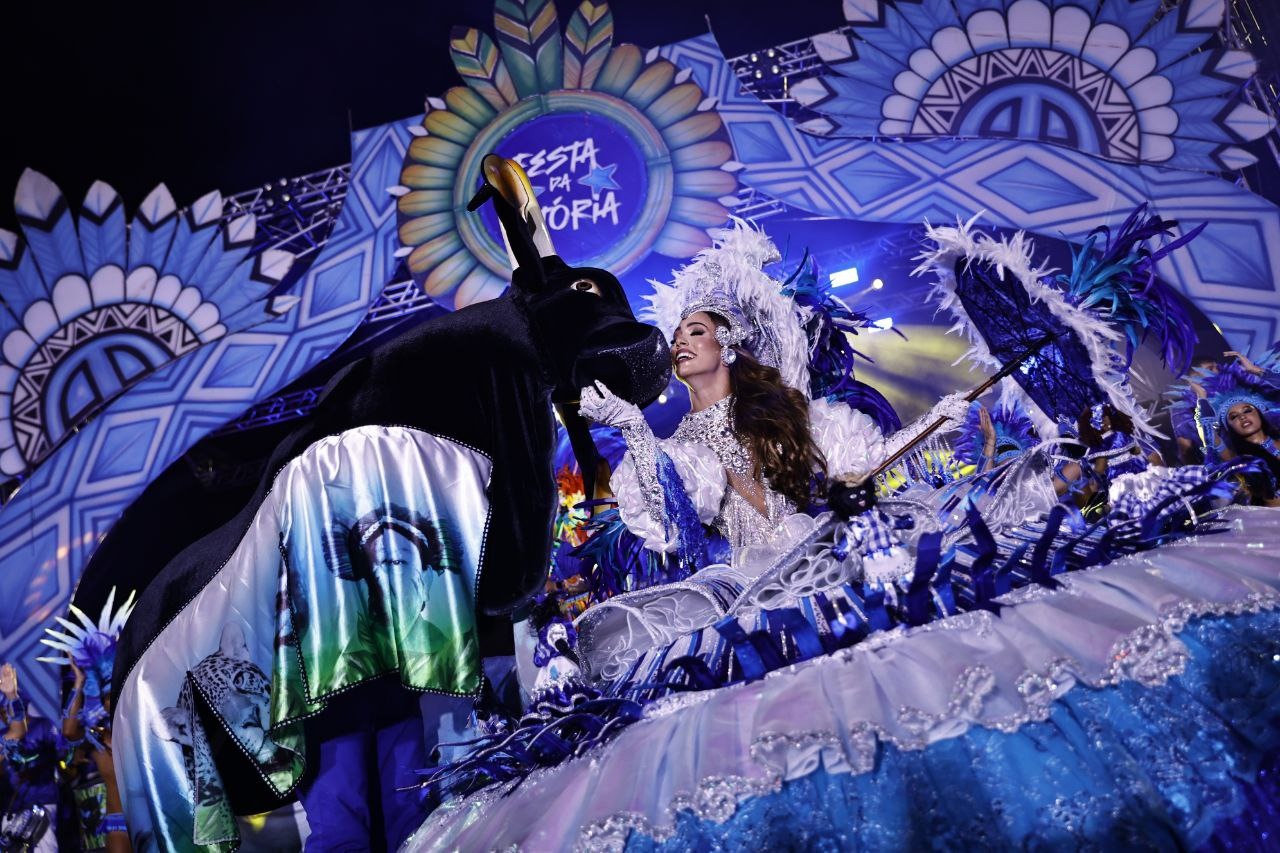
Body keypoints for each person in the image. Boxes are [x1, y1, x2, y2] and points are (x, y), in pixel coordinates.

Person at [574, 221, 968, 678]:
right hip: (748, 591)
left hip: (821, 559)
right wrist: (633, 427)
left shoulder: (786, 415)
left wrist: (935, 422)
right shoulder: (680, 446)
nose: (679, 341)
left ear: (727, 348)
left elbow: (867, 463)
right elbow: (673, 522)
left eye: (695, 331)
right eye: (677, 335)